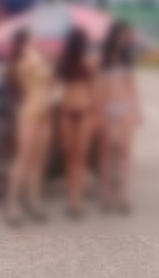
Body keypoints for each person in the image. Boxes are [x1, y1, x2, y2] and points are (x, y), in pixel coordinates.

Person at [4, 29, 54, 224]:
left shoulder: (40, 58)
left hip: (45, 115)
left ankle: (33, 202)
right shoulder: (24, 62)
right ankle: (12, 205)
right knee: (23, 160)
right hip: (30, 115)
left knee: (38, 162)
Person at [56, 28, 100, 218]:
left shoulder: (79, 63)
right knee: (75, 157)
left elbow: (94, 89)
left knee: (76, 157)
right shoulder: (70, 64)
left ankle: (75, 200)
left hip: (75, 112)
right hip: (77, 112)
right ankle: (74, 200)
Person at [99, 22, 141, 213]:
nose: (125, 39)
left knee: (125, 151)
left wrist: (137, 109)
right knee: (107, 152)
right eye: (122, 35)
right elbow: (98, 85)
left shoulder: (127, 58)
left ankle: (124, 195)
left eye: (126, 36)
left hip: (124, 107)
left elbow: (132, 86)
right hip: (106, 107)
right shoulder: (103, 57)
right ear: (114, 35)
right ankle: (106, 194)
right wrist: (99, 109)